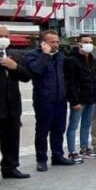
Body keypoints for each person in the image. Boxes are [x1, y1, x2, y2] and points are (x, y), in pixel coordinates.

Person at [0, 24, 32, 186]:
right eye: (0, 36)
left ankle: (10, 168)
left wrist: (15, 67)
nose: (4, 38)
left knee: (11, 139)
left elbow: (26, 77)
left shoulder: (14, 54)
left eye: (6, 35)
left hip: (12, 106)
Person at [23, 30, 74, 171]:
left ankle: (57, 156)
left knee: (58, 130)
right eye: (52, 42)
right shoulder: (32, 56)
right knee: (42, 131)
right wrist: (45, 55)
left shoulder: (60, 56)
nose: (56, 44)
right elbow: (36, 71)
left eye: (57, 41)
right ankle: (41, 159)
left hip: (60, 100)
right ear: (43, 43)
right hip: (43, 99)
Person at [64, 35, 96, 163]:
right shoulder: (71, 60)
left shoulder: (94, 60)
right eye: (85, 42)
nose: (89, 44)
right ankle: (71, 151)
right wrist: (74, 101)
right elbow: (71, 83)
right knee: (73, 125)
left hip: (91, 98)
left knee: (86, 125)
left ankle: (85, 148)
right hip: (79, 100)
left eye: (91, 42)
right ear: (79, 44)